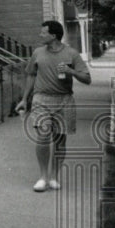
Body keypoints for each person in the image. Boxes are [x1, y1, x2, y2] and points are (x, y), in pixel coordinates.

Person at [15, 20, 91, 192]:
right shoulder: (37, 53)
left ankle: (54, 177)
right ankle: (42, 177)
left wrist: (71, 71)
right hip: (41, 99)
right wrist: (24, 99)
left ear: (54, 35)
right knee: (42, 137)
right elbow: (31, 76)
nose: (40, 35)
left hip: (64, 100)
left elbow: (87, 79)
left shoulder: (71, 54)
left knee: (60, 140)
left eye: (43, 32)